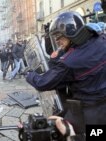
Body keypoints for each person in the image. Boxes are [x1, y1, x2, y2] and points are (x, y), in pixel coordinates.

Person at [25, 11, 106, 140]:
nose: (57, 41)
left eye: (59, 37)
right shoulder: (101, 40)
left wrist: (30, 75)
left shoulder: (70, 61)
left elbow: (42, 83)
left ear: (71, 33)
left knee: (72, 135)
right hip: (102, 105)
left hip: (86, 111)